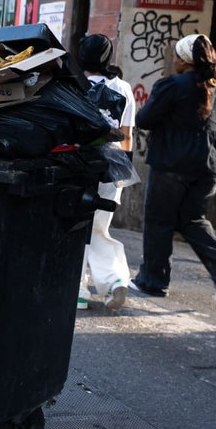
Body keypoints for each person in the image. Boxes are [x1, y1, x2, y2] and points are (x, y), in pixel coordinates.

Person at [131, 34, 216, 304]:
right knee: (193, 219)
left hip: (173, 161)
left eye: (175, 56)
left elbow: (144, 119)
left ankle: (153, 280)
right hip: (212, 163)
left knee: (160, 220)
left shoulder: (172, 85)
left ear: (183, 60)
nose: (173, 60)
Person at [74, 35, 135, 311]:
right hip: (112, 164)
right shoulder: (122, 87)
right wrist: (122, 174)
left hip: (75, 162)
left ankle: (79, 291)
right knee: (98, 226)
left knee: (74, 228)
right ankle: (114, 280)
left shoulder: (73, 84)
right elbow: (127, 137)